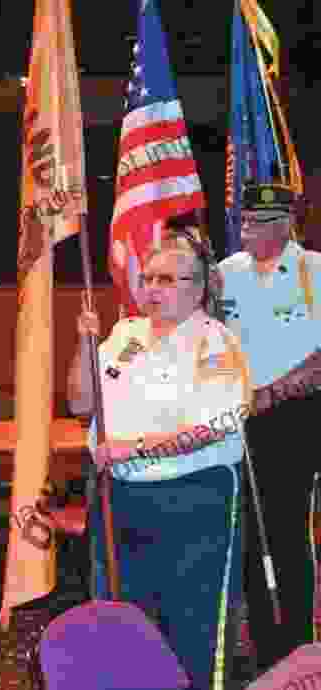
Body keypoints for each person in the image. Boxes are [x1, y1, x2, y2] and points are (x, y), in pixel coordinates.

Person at [67, 225, 251, 690]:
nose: (152, 289)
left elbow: (215, 424)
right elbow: (81, 404)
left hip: (193, 502)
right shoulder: (126, 335)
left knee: (192, 629)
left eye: (167, 280)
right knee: (124, 627)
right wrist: (85, 344)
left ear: (199, 287)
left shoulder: (215, 343)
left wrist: (138, 447)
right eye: (148, 278)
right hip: (120, 497)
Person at [219, 183, 321, 673]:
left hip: (292, 420)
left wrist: (275, 391)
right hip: (233, 420)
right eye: (244, 221)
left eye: (259, 222)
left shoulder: (315, 272)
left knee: (285, 531)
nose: (247, 230)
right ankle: (263, 648)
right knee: (245, 538)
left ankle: (299, 644)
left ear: (286, 224)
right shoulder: (224, 275)